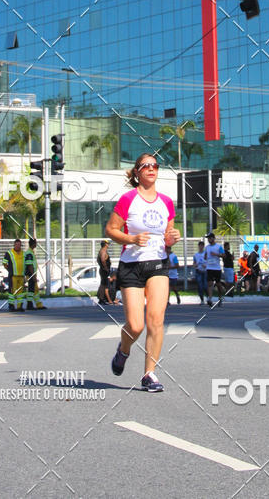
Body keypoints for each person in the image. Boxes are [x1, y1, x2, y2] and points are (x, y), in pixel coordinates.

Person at [105, 153, 180, 392]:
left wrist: (172, 238)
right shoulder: (128, 199)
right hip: (131, 265)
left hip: (158, 264)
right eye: (145, 165)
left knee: (156, 319)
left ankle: (150, 373)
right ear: (137, 172)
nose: (151, 168)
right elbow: (111, 229)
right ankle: (123, 350)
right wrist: (131, 238)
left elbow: (168, 237)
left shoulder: (167, 202)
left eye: (155, 165)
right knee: (135, 326)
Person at [3, 238, 26, 311]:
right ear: (14, 245)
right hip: (13, 276)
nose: (18, 246)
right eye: (16, 245)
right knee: (12, 292)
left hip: (21, 276)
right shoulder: (9, 253)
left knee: (20, 293)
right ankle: (11, 306)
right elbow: (4, 263)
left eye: (19, 245)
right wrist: (9, 270)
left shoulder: (24, 253)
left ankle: (20, 306)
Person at [203, 232, 225, 307]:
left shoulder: (218, 247)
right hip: (209, 267)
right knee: (210, 283)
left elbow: (224, 255)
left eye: (210, 238)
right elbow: (205, 256)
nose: (209, 239)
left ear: (213, 238)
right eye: (208, 238)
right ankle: (210, 299)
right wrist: (205, 257)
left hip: (217, 268)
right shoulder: (207, 247)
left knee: (218, 284)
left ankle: (220, 298)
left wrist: (216, 254)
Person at [24, 238, 45, 309]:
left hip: (32, 274)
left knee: (35, 290)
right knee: (31, 290)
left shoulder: (31, 252)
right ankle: (29, 304)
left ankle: (38, 305)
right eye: (36, 243)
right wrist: (33, 276)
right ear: (33, 244)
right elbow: (29, 265)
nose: (36, 244)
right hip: (30, 274)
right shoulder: (29, 253)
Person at [97, 240, 116, 305]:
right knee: (104, 284)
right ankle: (101, 299)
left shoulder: (101, 251)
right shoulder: (103, 251)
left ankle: (101, 298)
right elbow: (103, 260)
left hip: (103, 269)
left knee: (103, 283)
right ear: (105, 244)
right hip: (104, 270)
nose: (108, 245)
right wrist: (106, 268)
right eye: (107, 244)